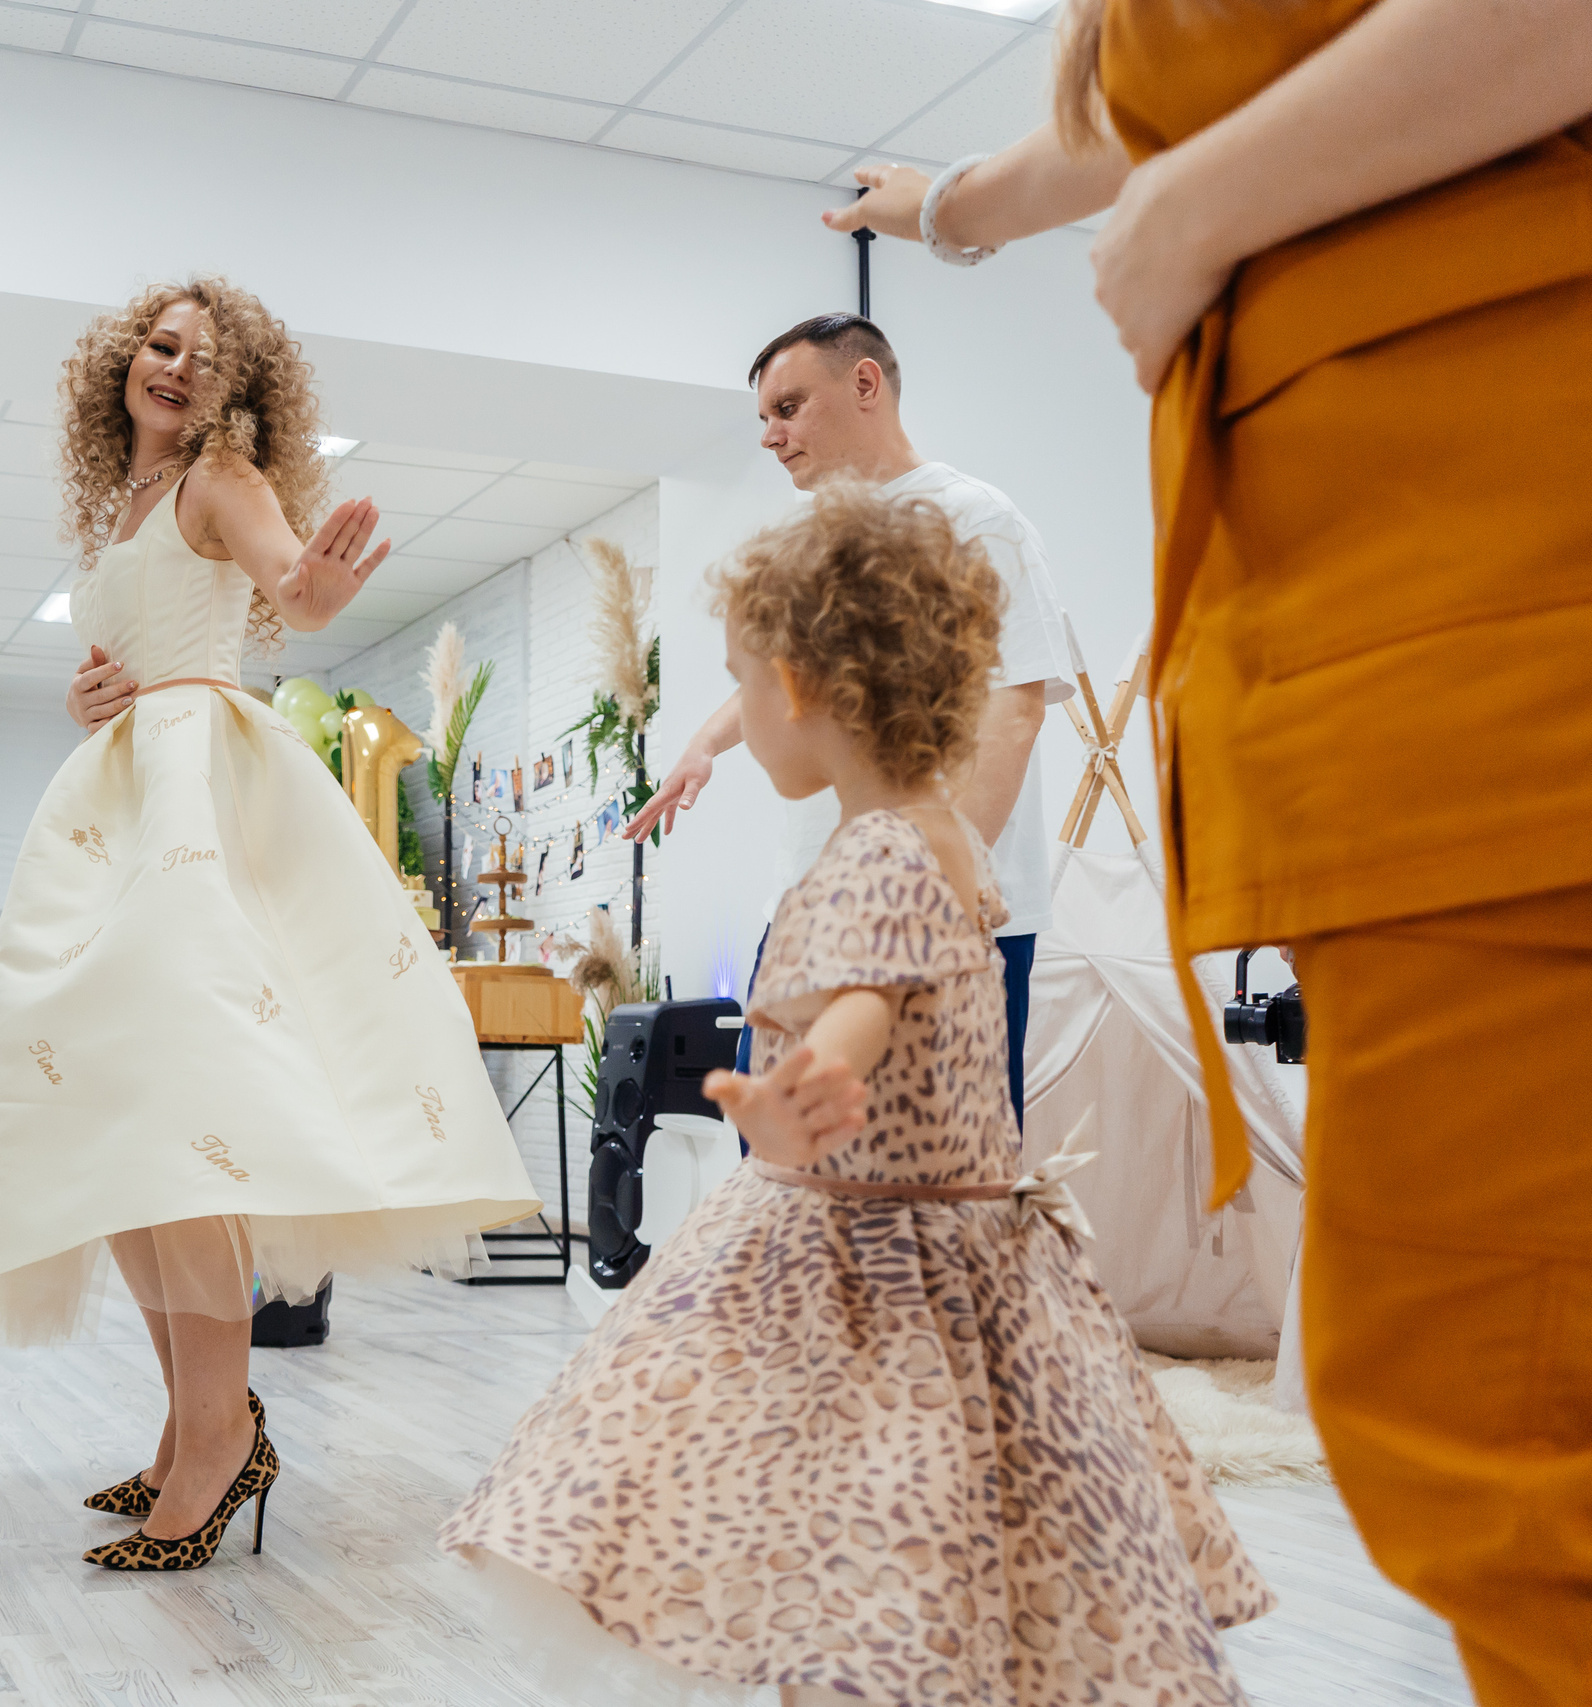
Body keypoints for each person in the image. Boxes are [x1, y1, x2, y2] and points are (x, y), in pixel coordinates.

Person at [822, 5, 1592, 1701]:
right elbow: (1193, 86)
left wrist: (1198, 208)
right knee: (1459, 1403)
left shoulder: (977, 560)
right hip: (1372, 695)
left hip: (1505, 626)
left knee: (1511, 1443)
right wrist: (950, 208)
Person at [443, 481, 1270, 1707]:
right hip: (972, 1250)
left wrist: (802, 1086)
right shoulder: (947, 834)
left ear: (800, 689)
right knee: (959, 1532)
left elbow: (863, 1011)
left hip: (875, 1266)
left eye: (736, 680)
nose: (738, 721)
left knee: (861, 1524)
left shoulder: (875, 852)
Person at [0, 277, 538, 1572]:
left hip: (193, 797)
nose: (175, 367)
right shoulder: (128, 505)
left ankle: (215, 1439)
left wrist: (310, 584)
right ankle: (197, 1422)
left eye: (204, 355)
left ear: (234, 383)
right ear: (121, 362)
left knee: (184, 1133)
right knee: (135, 1129)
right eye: (158, 343)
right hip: (126, 791)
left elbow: (288, 596)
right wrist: (99, 692)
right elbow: (135, 644)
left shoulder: (218, 477)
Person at [628, 314, 1071, 1121]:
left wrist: (936, 889)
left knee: (929, 1160)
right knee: (782, 1152)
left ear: (865, 384)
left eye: (788, 408)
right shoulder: (817, 537)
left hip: (941, 906)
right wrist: (703, 744)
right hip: (814, 893)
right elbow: (788, 679)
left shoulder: (975, 519)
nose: (771, 436)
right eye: (763, 417)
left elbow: (1014, 711)